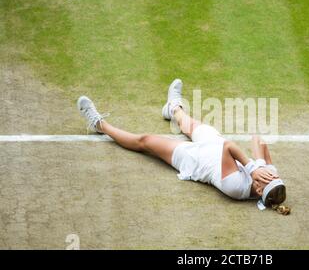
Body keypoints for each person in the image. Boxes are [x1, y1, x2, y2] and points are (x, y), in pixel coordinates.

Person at [77, 79, 290, 215]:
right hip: (213, 145)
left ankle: (99, 124)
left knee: (145, 141)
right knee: (187, 121)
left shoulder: (236, 188)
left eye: (267, 183)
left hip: (194, 160)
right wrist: (263, 165)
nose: (269, 178)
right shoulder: (268, 177)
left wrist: (253, 168)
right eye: (272, 178)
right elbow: (257, 138)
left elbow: (228, 147)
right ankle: (172, 107)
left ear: (259, 191)